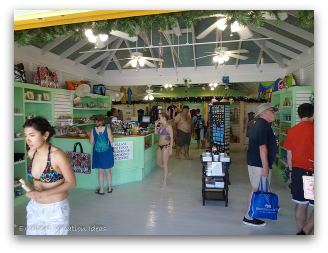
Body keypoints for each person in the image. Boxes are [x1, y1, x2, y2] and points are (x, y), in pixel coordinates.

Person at [23, 116, 76, 235]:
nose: (28, 140)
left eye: (32, 135)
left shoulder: (57, 155)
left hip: (55, 210)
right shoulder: (32, 152)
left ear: (45, 135)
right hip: (34, 207)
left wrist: (41, 194)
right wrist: (29, 188)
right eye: (26, 135)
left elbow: (71, 183)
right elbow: (38, 180)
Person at [243, 103, 278, 227]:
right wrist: (265, 166)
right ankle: (249, 216)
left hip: (254, 161)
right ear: (264, 112)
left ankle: (267, 207)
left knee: (259, 187)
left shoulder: (257, 124)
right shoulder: (263, 126)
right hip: (259, 163)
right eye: (272, 111)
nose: (274, 114)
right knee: (256, 189)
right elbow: (262, 148)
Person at [283, 103, 314, 235]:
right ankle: (306, 230)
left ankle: (302, 233)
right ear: (312, 114)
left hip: (297, 171)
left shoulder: (292, 130)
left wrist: (290, 171)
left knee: (301, 204)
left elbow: (289, 153)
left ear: (299, 115)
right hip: (313, 171)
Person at [89, 115, 115, 195]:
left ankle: (101, 190)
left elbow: (91, 142)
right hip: (107, 152)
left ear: (96, 122)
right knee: (108, 171)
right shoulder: (107, 129)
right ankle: (110, 188)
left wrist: (89, 136)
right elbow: (111, 140)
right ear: (103, 121)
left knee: (100, 172)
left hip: (98, 153)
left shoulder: (93, 130)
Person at [155, 113, 174, 187]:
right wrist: (155, 126)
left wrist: (171, 148)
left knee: (165, 164)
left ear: (164, 118)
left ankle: (165, 182)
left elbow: (172, 138)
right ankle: (167, 172)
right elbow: (156, 133)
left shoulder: (169, 126)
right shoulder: (161, 125)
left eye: (160, 118)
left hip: (166, 146)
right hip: (160, 146)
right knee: (158, 163)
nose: (159, 119)